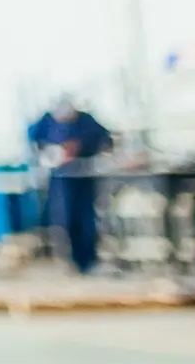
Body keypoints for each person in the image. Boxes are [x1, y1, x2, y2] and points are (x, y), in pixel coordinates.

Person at [29, 96, 115, 274]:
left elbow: (106, 140)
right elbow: (35, 141)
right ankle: (72, 260)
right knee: (65, 220)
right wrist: (51, 152)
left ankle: (88, 260)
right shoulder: (45, 124)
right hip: (61, 182)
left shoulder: (86, 123)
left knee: (87, 221)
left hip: (84, 180)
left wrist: (81, 148)